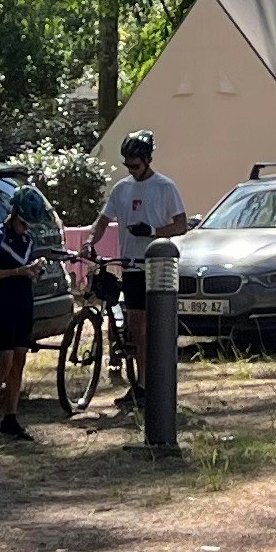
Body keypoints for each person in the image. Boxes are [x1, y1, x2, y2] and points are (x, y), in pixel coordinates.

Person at [98, 131, 191, 408]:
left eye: (136, 165)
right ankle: (141, 385)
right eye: (128, 166)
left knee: (155, 328)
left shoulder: (165, 187)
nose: (132, 171)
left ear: (148, 160)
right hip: (131, 265)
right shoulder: (122, 188)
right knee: (137, 329)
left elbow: (181, 225)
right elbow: (102, 220)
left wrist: (152, 231)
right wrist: (91, 242)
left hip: (158, 265)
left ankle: (157, 383)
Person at [0, 204, 42, 441]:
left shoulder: (27, 239)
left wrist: (34, 272)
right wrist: (18, 272)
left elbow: (27, 269)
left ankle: (10, 418)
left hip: (24, 303)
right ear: (14, 216)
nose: (25, 228)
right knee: (4, 361)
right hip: (4, 303)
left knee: (19, 360)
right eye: (23, 222)